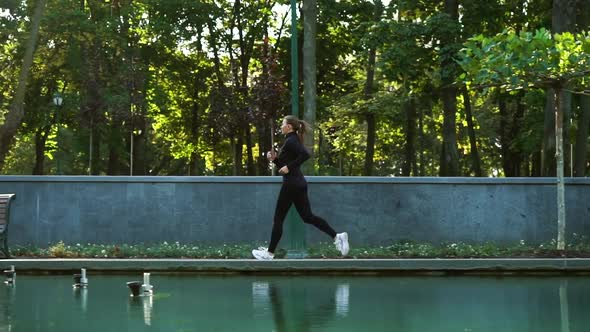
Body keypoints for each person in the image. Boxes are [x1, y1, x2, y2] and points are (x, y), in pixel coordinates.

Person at [252, 115, 349, 260]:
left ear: (289, 126)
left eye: (283, 124)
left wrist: (288, 167)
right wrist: (275, 160)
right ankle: (337, 237)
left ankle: (269, 253)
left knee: (278, 218)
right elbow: (285, 166)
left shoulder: (291, 141)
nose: (281, 127)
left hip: (291, 184)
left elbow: (305, 155)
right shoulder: (291, 140)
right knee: (307, 217)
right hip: (298, 183)